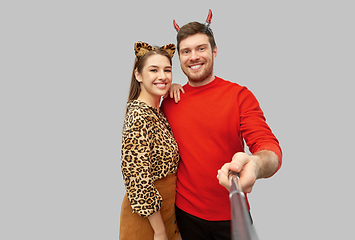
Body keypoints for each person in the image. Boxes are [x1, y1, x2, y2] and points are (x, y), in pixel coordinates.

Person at [160, 10, 282, 239]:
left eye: (201, 48)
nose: (193, 57)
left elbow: (268, 147)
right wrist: (167, 87)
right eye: (186, 51)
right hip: (184, 215)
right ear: (179, 58)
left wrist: (255, 165)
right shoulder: (168, 101)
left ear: (214, 52)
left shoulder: (239, 96)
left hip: (232, 216)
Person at [119, 41, 182, 240]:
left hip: (167, 212)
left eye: (167, 70)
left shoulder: (156, 111)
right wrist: (159, 230)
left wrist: (176, 89)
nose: (162, 76)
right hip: (147, 219)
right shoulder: (139, 116)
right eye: (153, 70)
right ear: (138, 75)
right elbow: (137, 179)